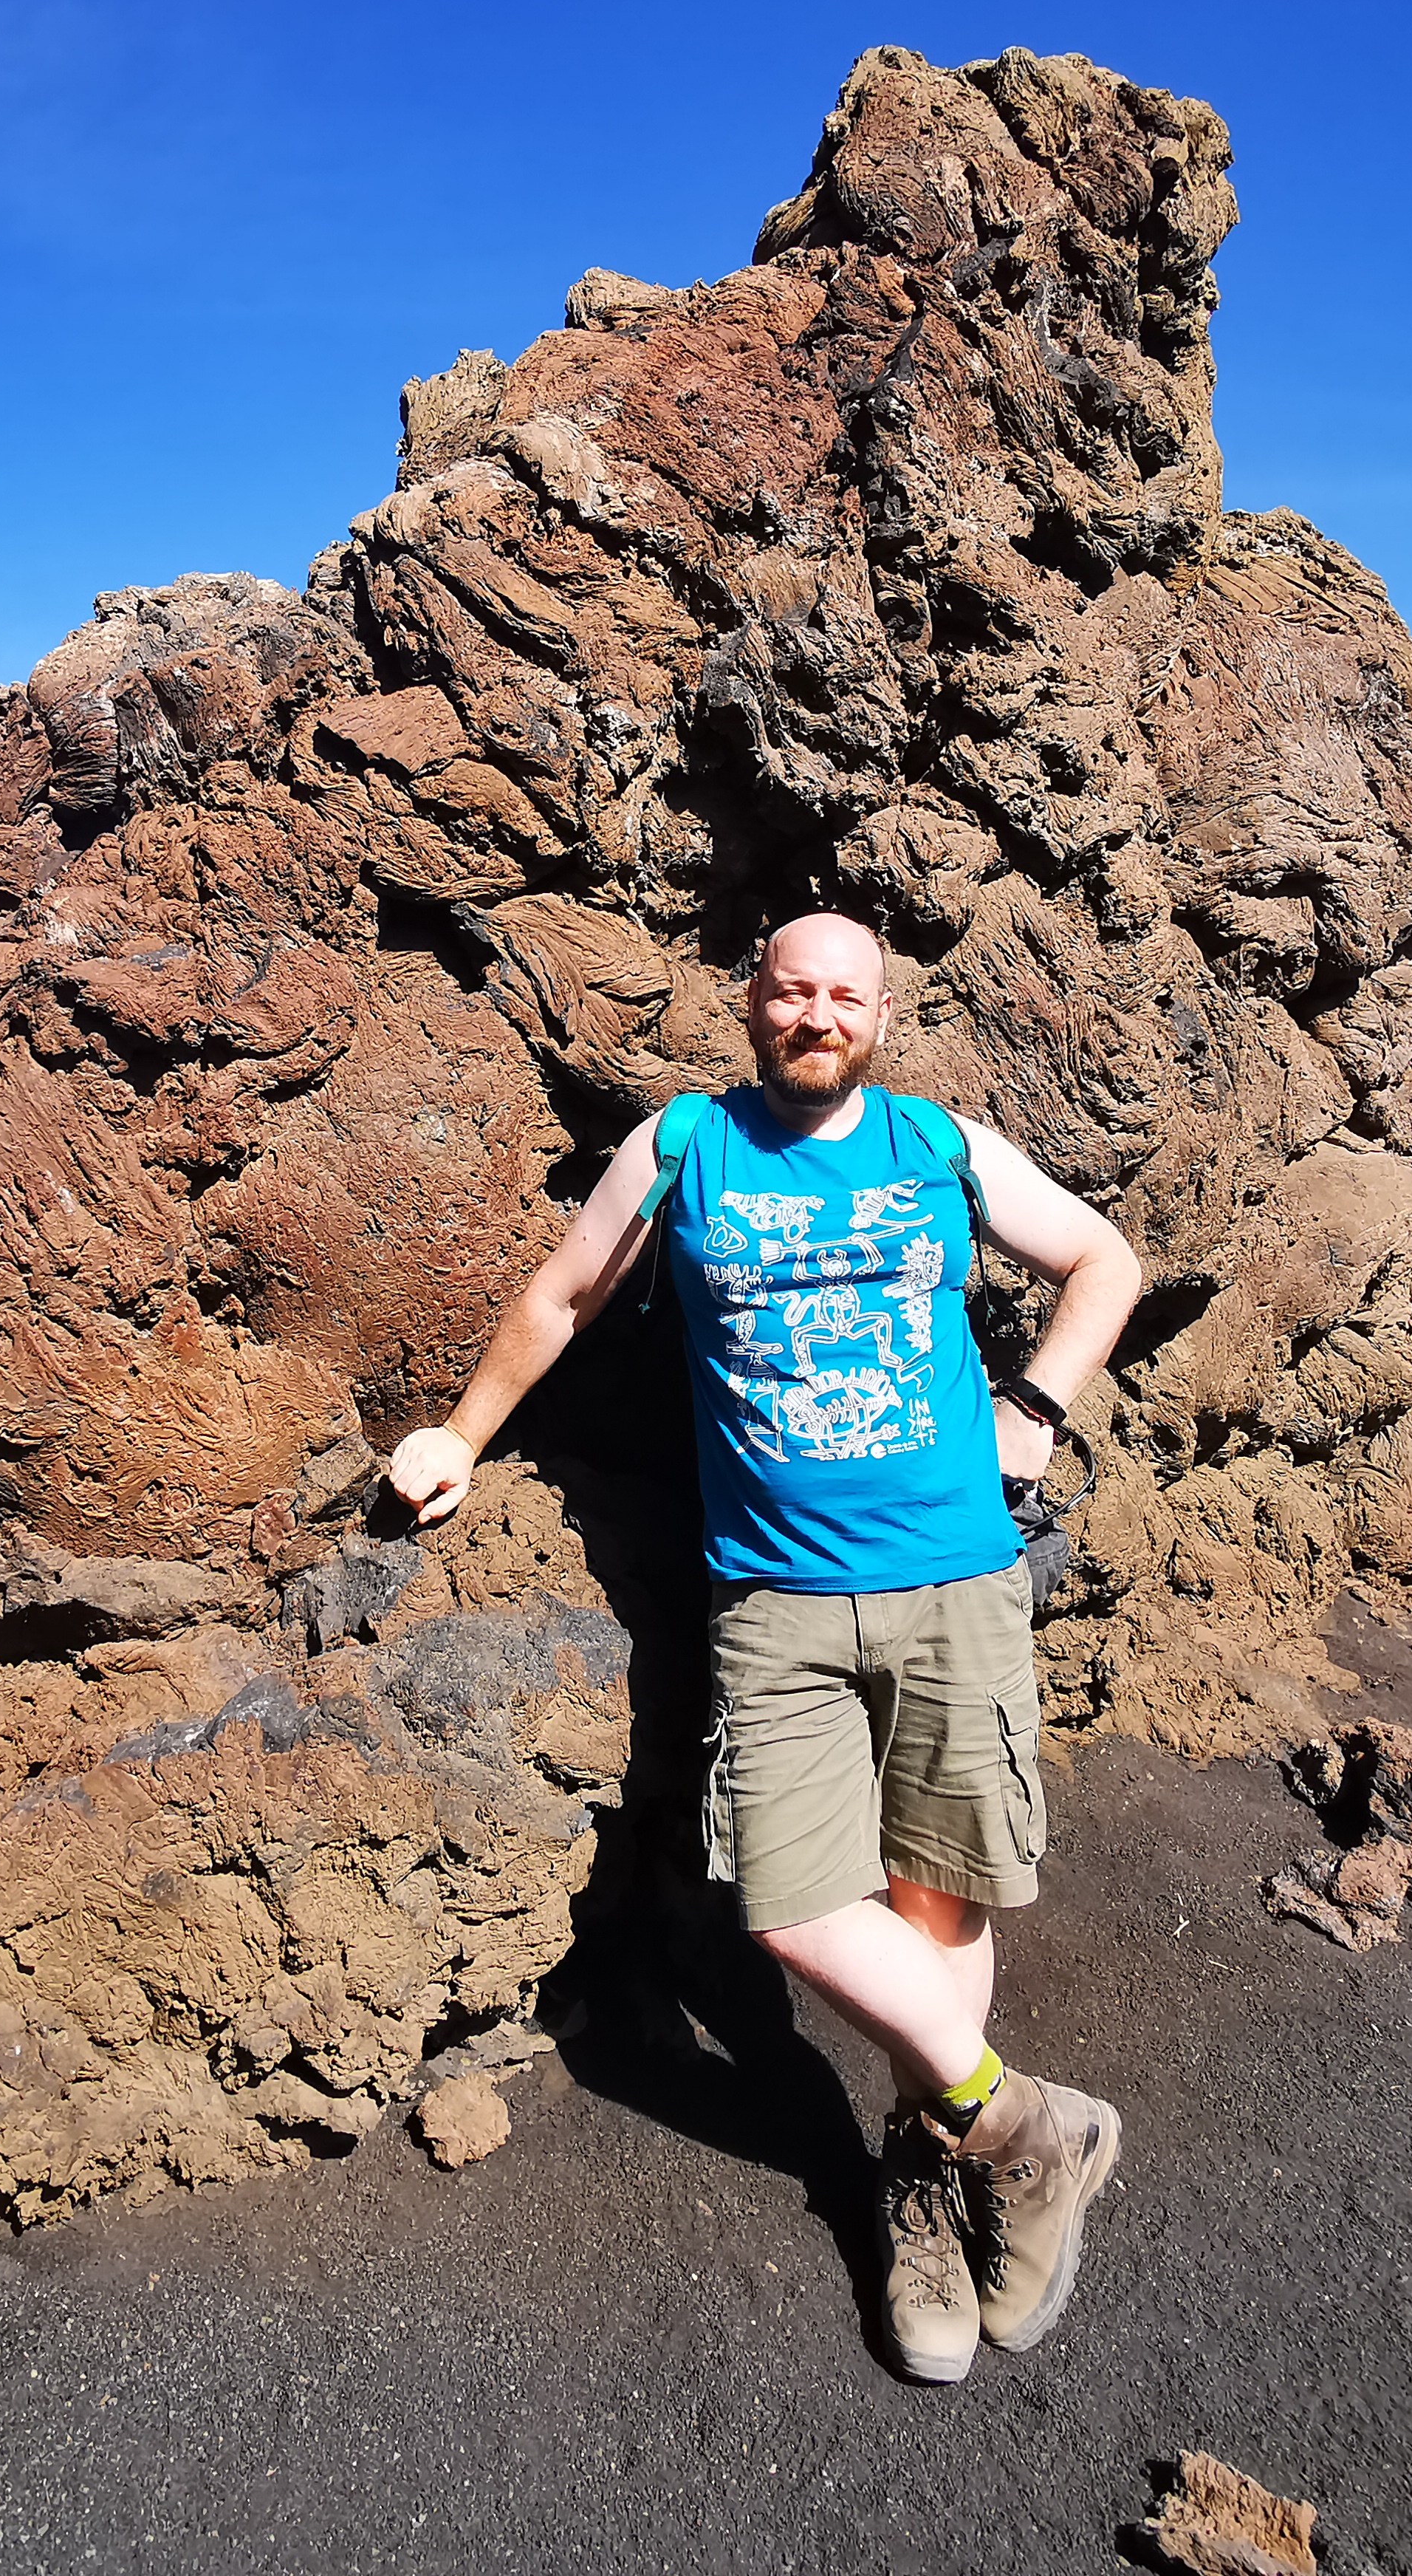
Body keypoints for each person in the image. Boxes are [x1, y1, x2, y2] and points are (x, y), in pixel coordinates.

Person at [386, 912, 1145, 2384]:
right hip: (775, 1596)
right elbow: (561, 1293)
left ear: (878, 1014)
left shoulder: (937, 1146)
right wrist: (461, 1433)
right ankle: (1028, 2129)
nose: (815, 1015)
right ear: (751, 1003)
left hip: (955, 1574)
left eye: (842, 995)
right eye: (791, 990)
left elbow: (1104, 1261)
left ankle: (928, 2173)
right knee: (794, 1906)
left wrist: (1038, 1408)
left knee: (938, 1895)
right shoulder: (684, 1148)